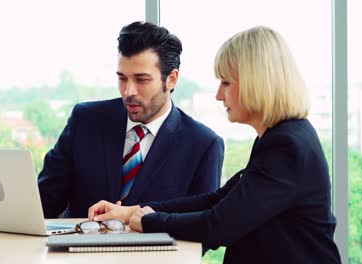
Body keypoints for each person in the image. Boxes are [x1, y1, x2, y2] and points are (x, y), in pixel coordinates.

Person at [88, 26, 341, 263]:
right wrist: (133, 211)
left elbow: (218, 226)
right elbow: (217, 199)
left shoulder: (287, 146)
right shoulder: (280, 137)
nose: (219, 95)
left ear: (257, 82)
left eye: (226, 82)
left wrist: (150, 221)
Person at [37, 21, 225, 218]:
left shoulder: (203, 145)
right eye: (122, 78)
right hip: (79, 247)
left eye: (141, 80)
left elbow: (200, 229)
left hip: (155, 249)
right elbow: (45, 201)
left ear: (171, 79)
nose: (129, 91)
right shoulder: (85, 121)